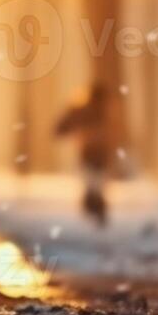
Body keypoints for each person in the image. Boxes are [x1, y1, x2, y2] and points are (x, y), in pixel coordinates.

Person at [55, 81, 113, 227]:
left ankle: (95, 209)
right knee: (94, 185)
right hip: (92, 154)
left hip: (96, 154)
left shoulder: (91, 111)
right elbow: (62, 127)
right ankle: (95, 210)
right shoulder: (85, 111)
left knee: (95, 185)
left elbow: (62, 127)